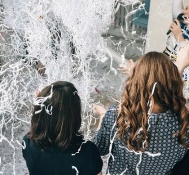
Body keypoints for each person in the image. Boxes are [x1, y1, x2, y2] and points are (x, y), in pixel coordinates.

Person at [94, 45, 189, 174]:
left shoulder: (116, 116)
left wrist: (103, 116)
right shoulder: (184, 123)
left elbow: (98, 149)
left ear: (136, 82)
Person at [22, 81, 103, 175]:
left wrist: (41, 107)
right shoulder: (87, 151)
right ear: (74, 116)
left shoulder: (28, 143)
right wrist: (103, 115)